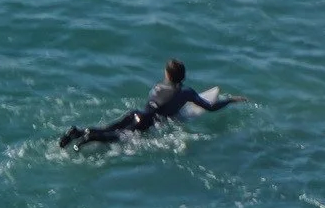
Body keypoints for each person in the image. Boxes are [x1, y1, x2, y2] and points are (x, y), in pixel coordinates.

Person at [59, 60, 244, 148]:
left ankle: (77, 131)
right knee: (115, 137)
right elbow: (209, 107)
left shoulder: (159, 85)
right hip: (147, 122)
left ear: (167, 75)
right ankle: (88, 137)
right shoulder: (186, 92)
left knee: (109, 128)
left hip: (136, 113)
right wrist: (229, 100)